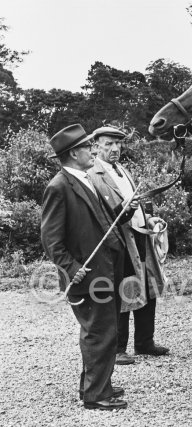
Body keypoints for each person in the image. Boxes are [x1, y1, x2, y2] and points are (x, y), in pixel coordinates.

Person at [41, 124, 138, 410]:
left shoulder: (85, 179)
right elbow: (51, 240)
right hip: (87, 276)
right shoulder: (58, 186)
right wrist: (71, 269)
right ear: (74, 153)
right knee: (99, 332)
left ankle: (94, 385)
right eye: (88, 147)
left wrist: (125, 212)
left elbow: (103, 221)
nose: (93, 150)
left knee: (105, 330)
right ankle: (97, 396)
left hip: (105, 269)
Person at [89, 126, 169, 365]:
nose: (115, 149)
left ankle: (145, 342)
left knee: (148, 286)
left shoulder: (122, 169)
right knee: (124, 291)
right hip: (119, 242)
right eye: (108, 144)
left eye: (118, 144)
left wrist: (148, 218)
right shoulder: (93, 174)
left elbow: (134, 203)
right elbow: (102, 215)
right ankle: (117, 349)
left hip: (139, 236)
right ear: (95, 146)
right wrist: (126, 212)